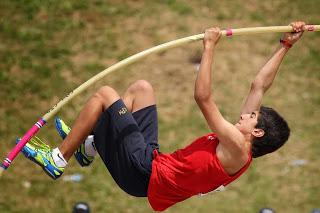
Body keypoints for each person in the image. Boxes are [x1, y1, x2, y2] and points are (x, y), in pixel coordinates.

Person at [19, 21, 305, 211]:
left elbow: (203, 98)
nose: (245, 115)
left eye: (252, 117)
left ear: (257, 133)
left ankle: (57, 159)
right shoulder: (241, 143)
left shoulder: (236, 146)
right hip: (152, 163)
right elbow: (259, 85)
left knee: (105, 94)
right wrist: (286, 45)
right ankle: (89, 147)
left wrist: (209, 48)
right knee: (141, 90)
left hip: (144, 174)